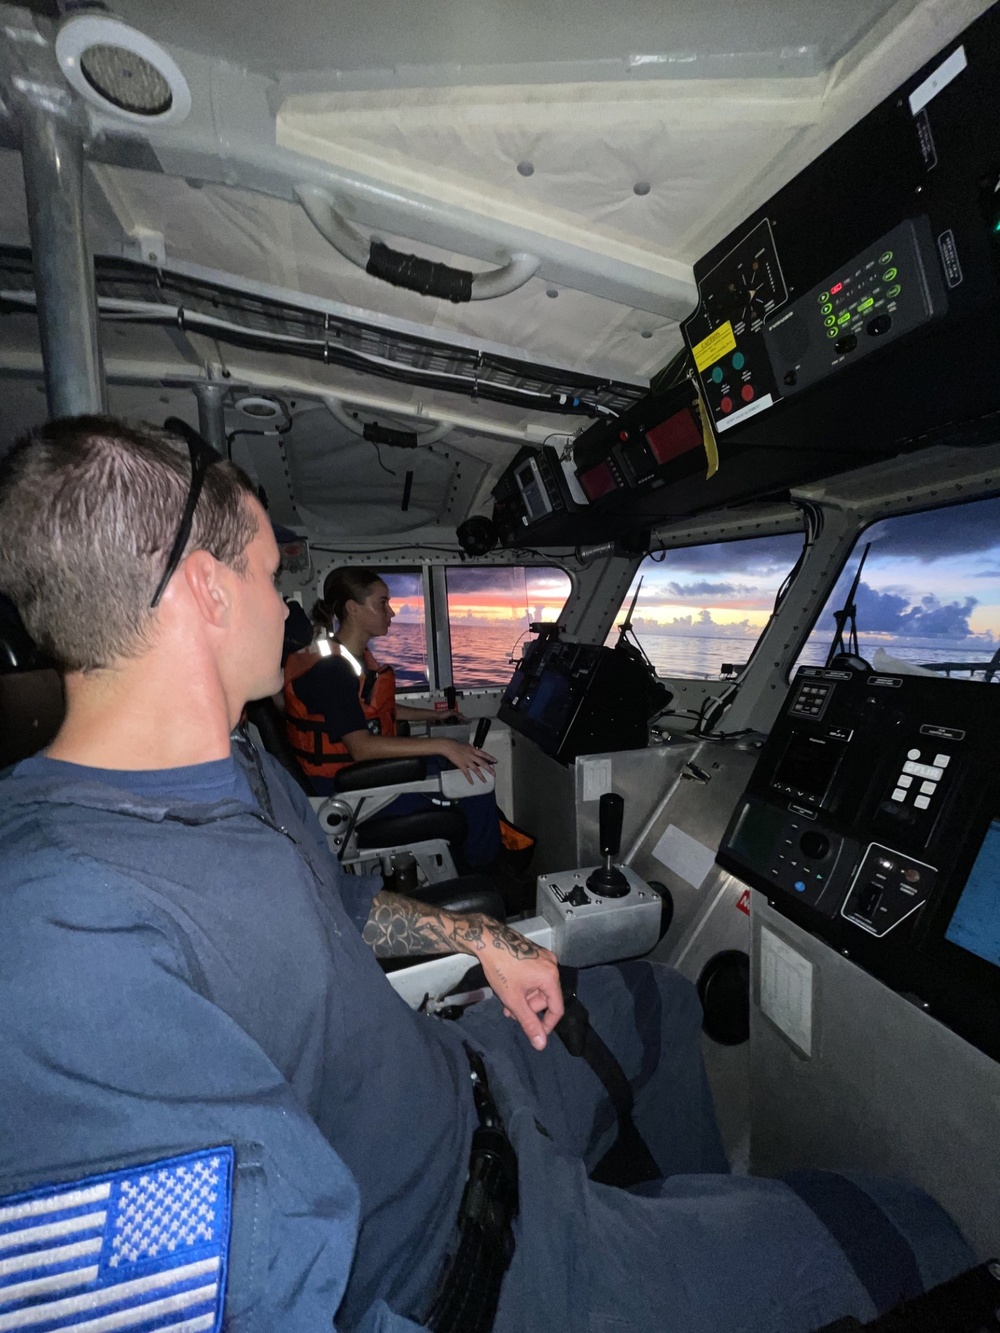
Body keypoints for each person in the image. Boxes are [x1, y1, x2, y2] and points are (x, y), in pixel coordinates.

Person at [0, 416, 973, 1333]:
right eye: (267, 574)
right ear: (206, 593)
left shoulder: (239, 768)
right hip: (478, 1267)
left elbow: (345, 909)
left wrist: (486, 936)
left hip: (470, 1084)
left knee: (661, 1002)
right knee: (905, 1230)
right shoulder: (57, 935)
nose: (283, 604)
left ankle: (674, 1219)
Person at [284, 566, 501, 868]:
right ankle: (484, 876)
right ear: (353, 609)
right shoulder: (332, 671)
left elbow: (369, 710)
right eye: (382, 602)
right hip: (348, 791)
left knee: (457, 768)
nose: (392, 612)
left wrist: (436, 717)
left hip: (360, 776)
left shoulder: (349, 658)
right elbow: (361, 746)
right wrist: (444, 745)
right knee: (475, 783)